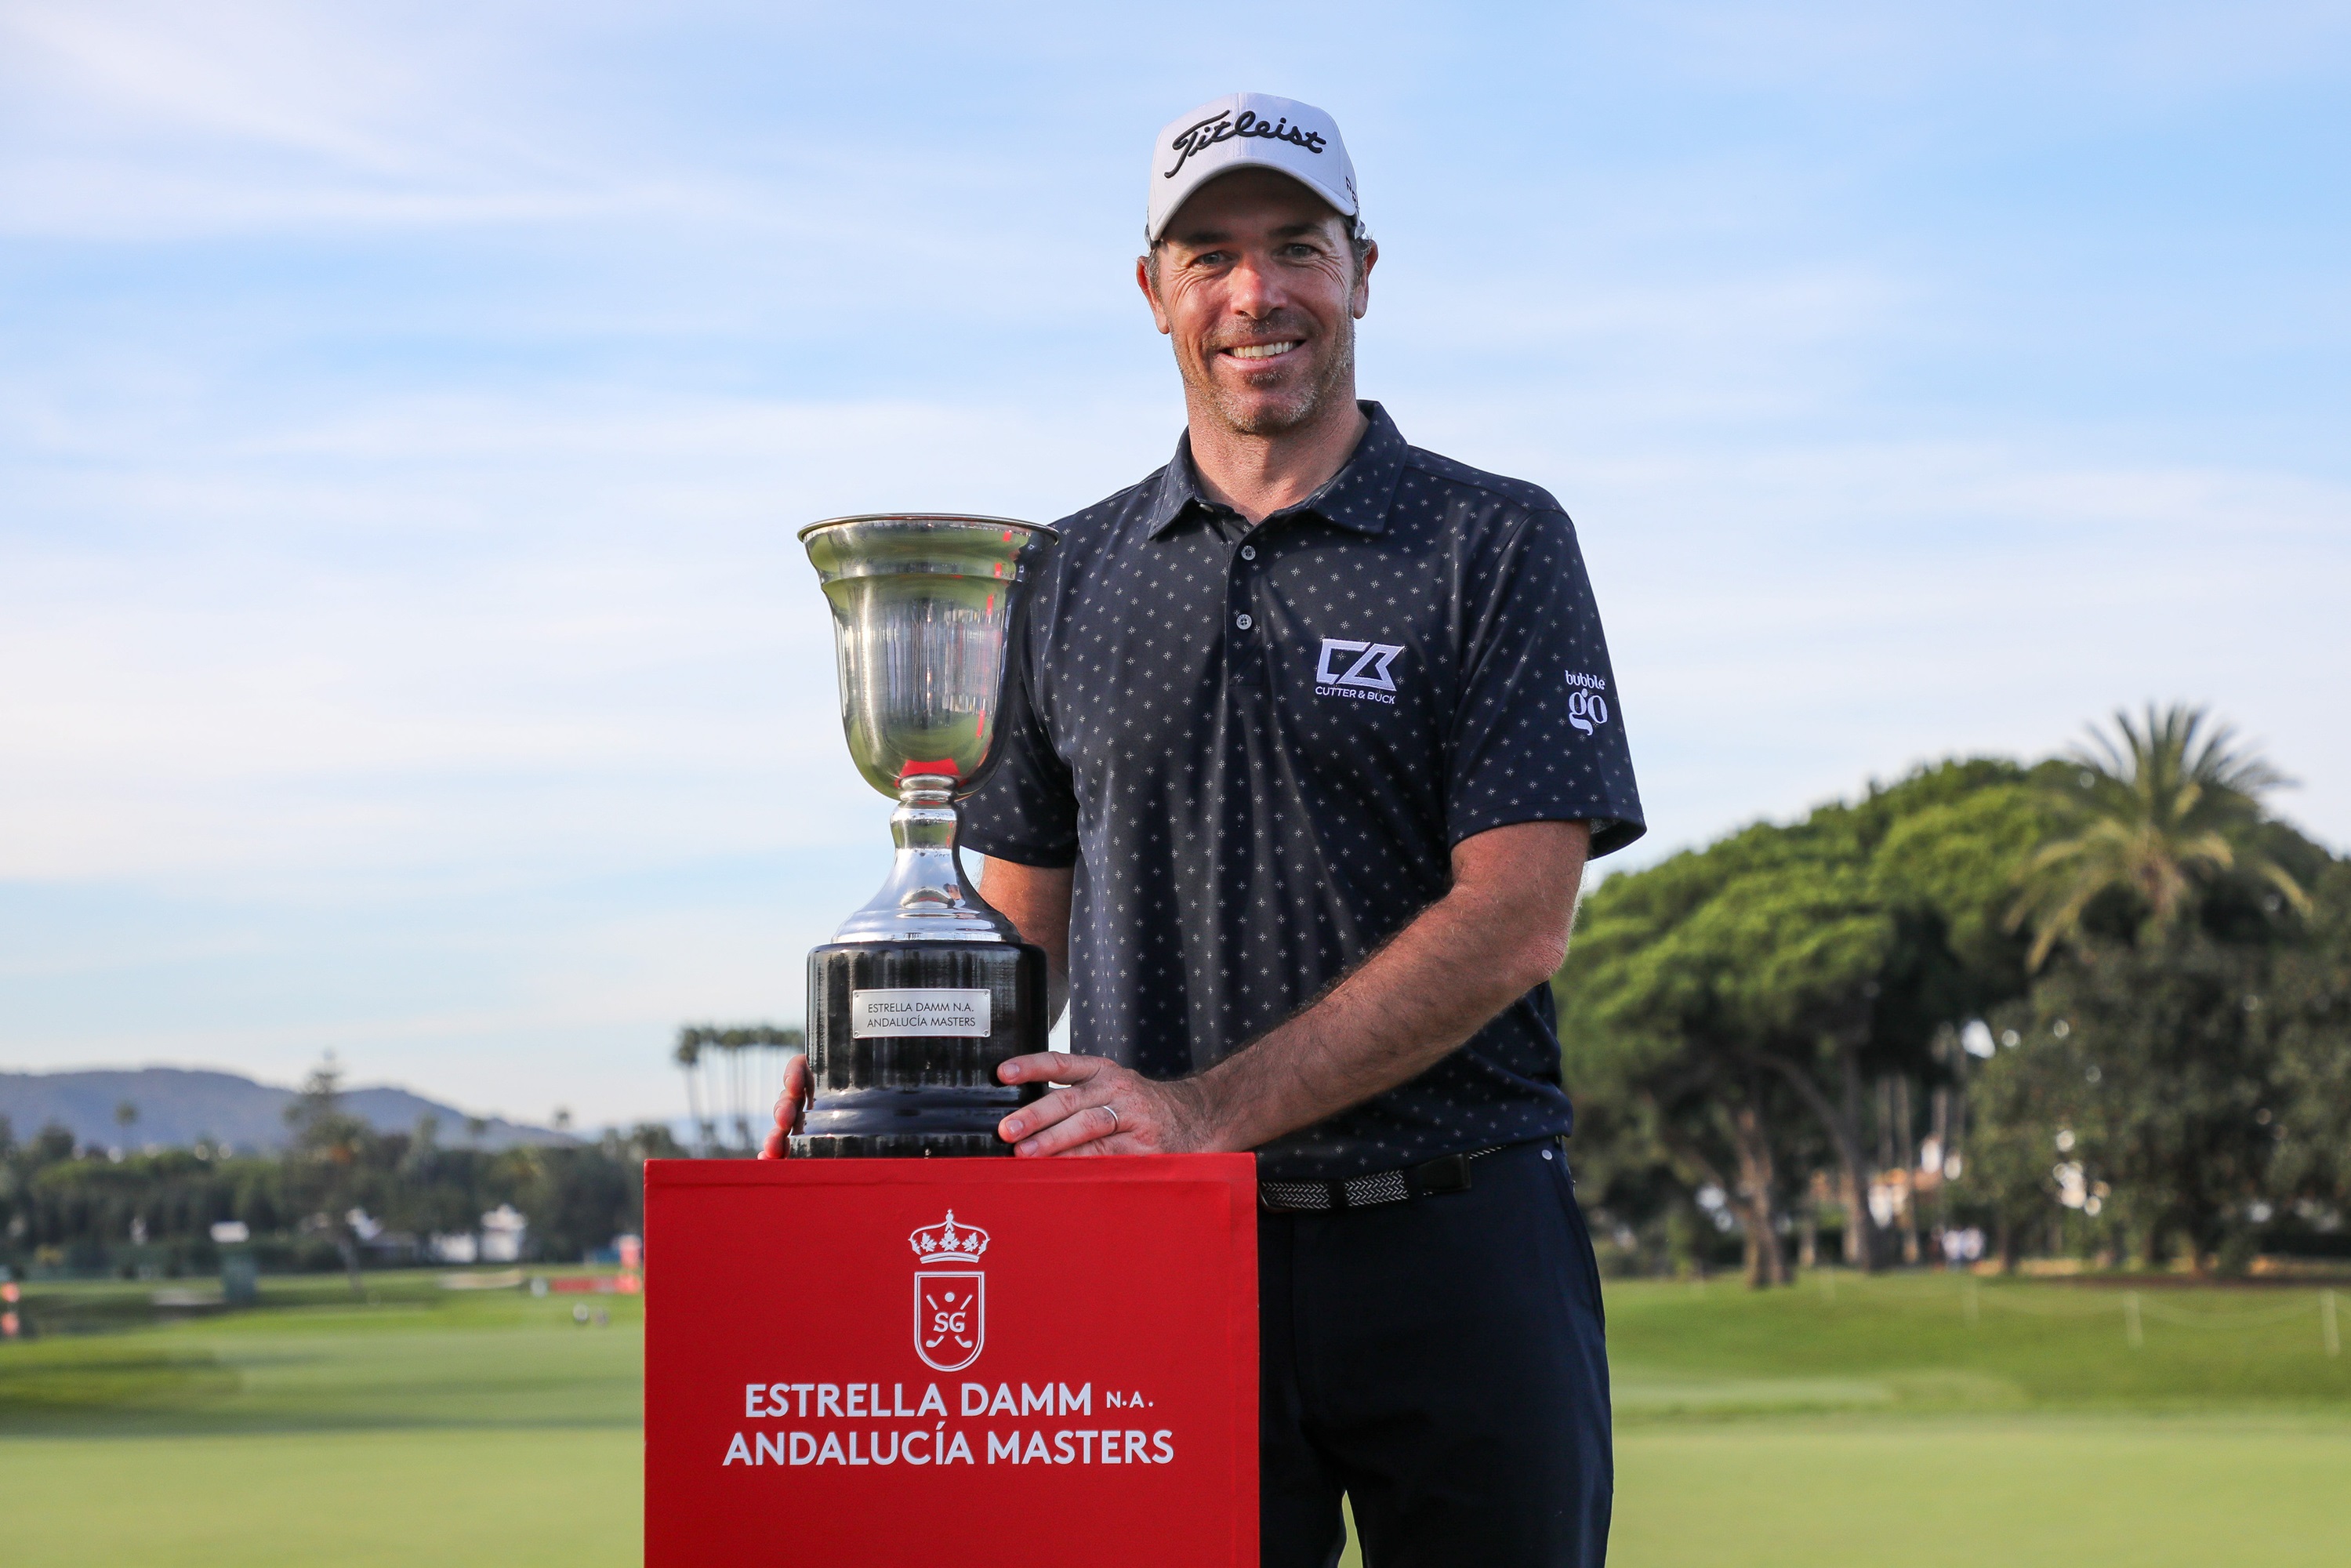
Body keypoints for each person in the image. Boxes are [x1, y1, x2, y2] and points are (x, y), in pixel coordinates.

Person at [767, 91, 1645, 1567]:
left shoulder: (1493, 541)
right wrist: (899, 1086)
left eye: (1295, 247)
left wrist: (1204, 1112)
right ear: (1152, 291)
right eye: (1211, 256)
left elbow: (1517, 916)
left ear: (1362, 271)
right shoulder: (1063, 574)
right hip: (1164, 1263)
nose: (1257, 294)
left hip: (1462, 1237)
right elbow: (1021, 926)